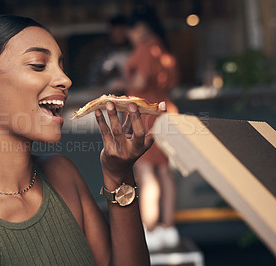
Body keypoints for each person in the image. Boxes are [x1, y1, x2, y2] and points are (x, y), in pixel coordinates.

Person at [0, 15, 164, 265]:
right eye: (38, 65)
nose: (65, 80)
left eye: (61, 66)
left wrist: (119, 176)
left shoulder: (63, 174)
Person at [120, 8, 180, 250]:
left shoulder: (146, 49)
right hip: (164, 112)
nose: (130, 37)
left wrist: (120, 83)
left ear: (140, 28)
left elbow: (140, 82)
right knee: (164, 172)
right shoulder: (163, 49)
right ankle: (169, 228)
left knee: (146, 173)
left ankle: (151, 230)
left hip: (145, 115)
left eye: (130, 32)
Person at [88, 15, 131, 93]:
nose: (119, 35)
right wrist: (109, 75)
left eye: (122, 31)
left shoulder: (135, 52)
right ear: (111, 33)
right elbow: (93, 82)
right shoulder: (104, 56)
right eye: (116, 32)